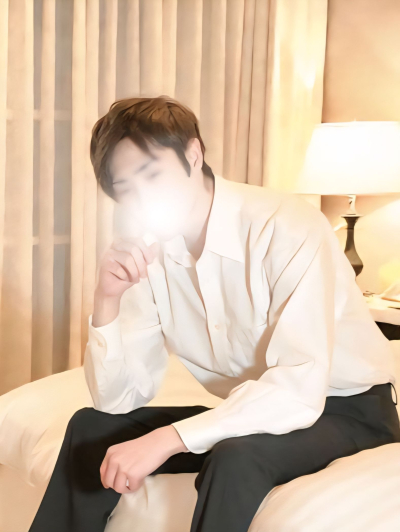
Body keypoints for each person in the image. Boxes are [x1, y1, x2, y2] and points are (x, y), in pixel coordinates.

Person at [28, 95, 400, 532]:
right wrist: (107, 299)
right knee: (90, 429)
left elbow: (298, 390)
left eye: (153, 175)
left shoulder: (285, 226)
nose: (143, 198)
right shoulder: (148, 249)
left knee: (235, 456)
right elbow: (117, 400)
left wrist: (168, 439)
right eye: (125, 188)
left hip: (348, 409)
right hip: (255, 407)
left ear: (193, 153)